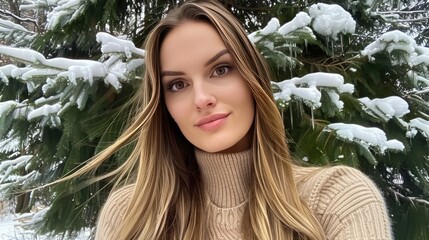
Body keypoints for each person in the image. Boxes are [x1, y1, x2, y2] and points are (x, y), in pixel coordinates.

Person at [66, 0, 392, 239]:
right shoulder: (132, 216)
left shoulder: (338, 199)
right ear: (164, 106)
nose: (201, 98)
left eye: (221, 69)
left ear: (253, 79)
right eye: (177, 85)